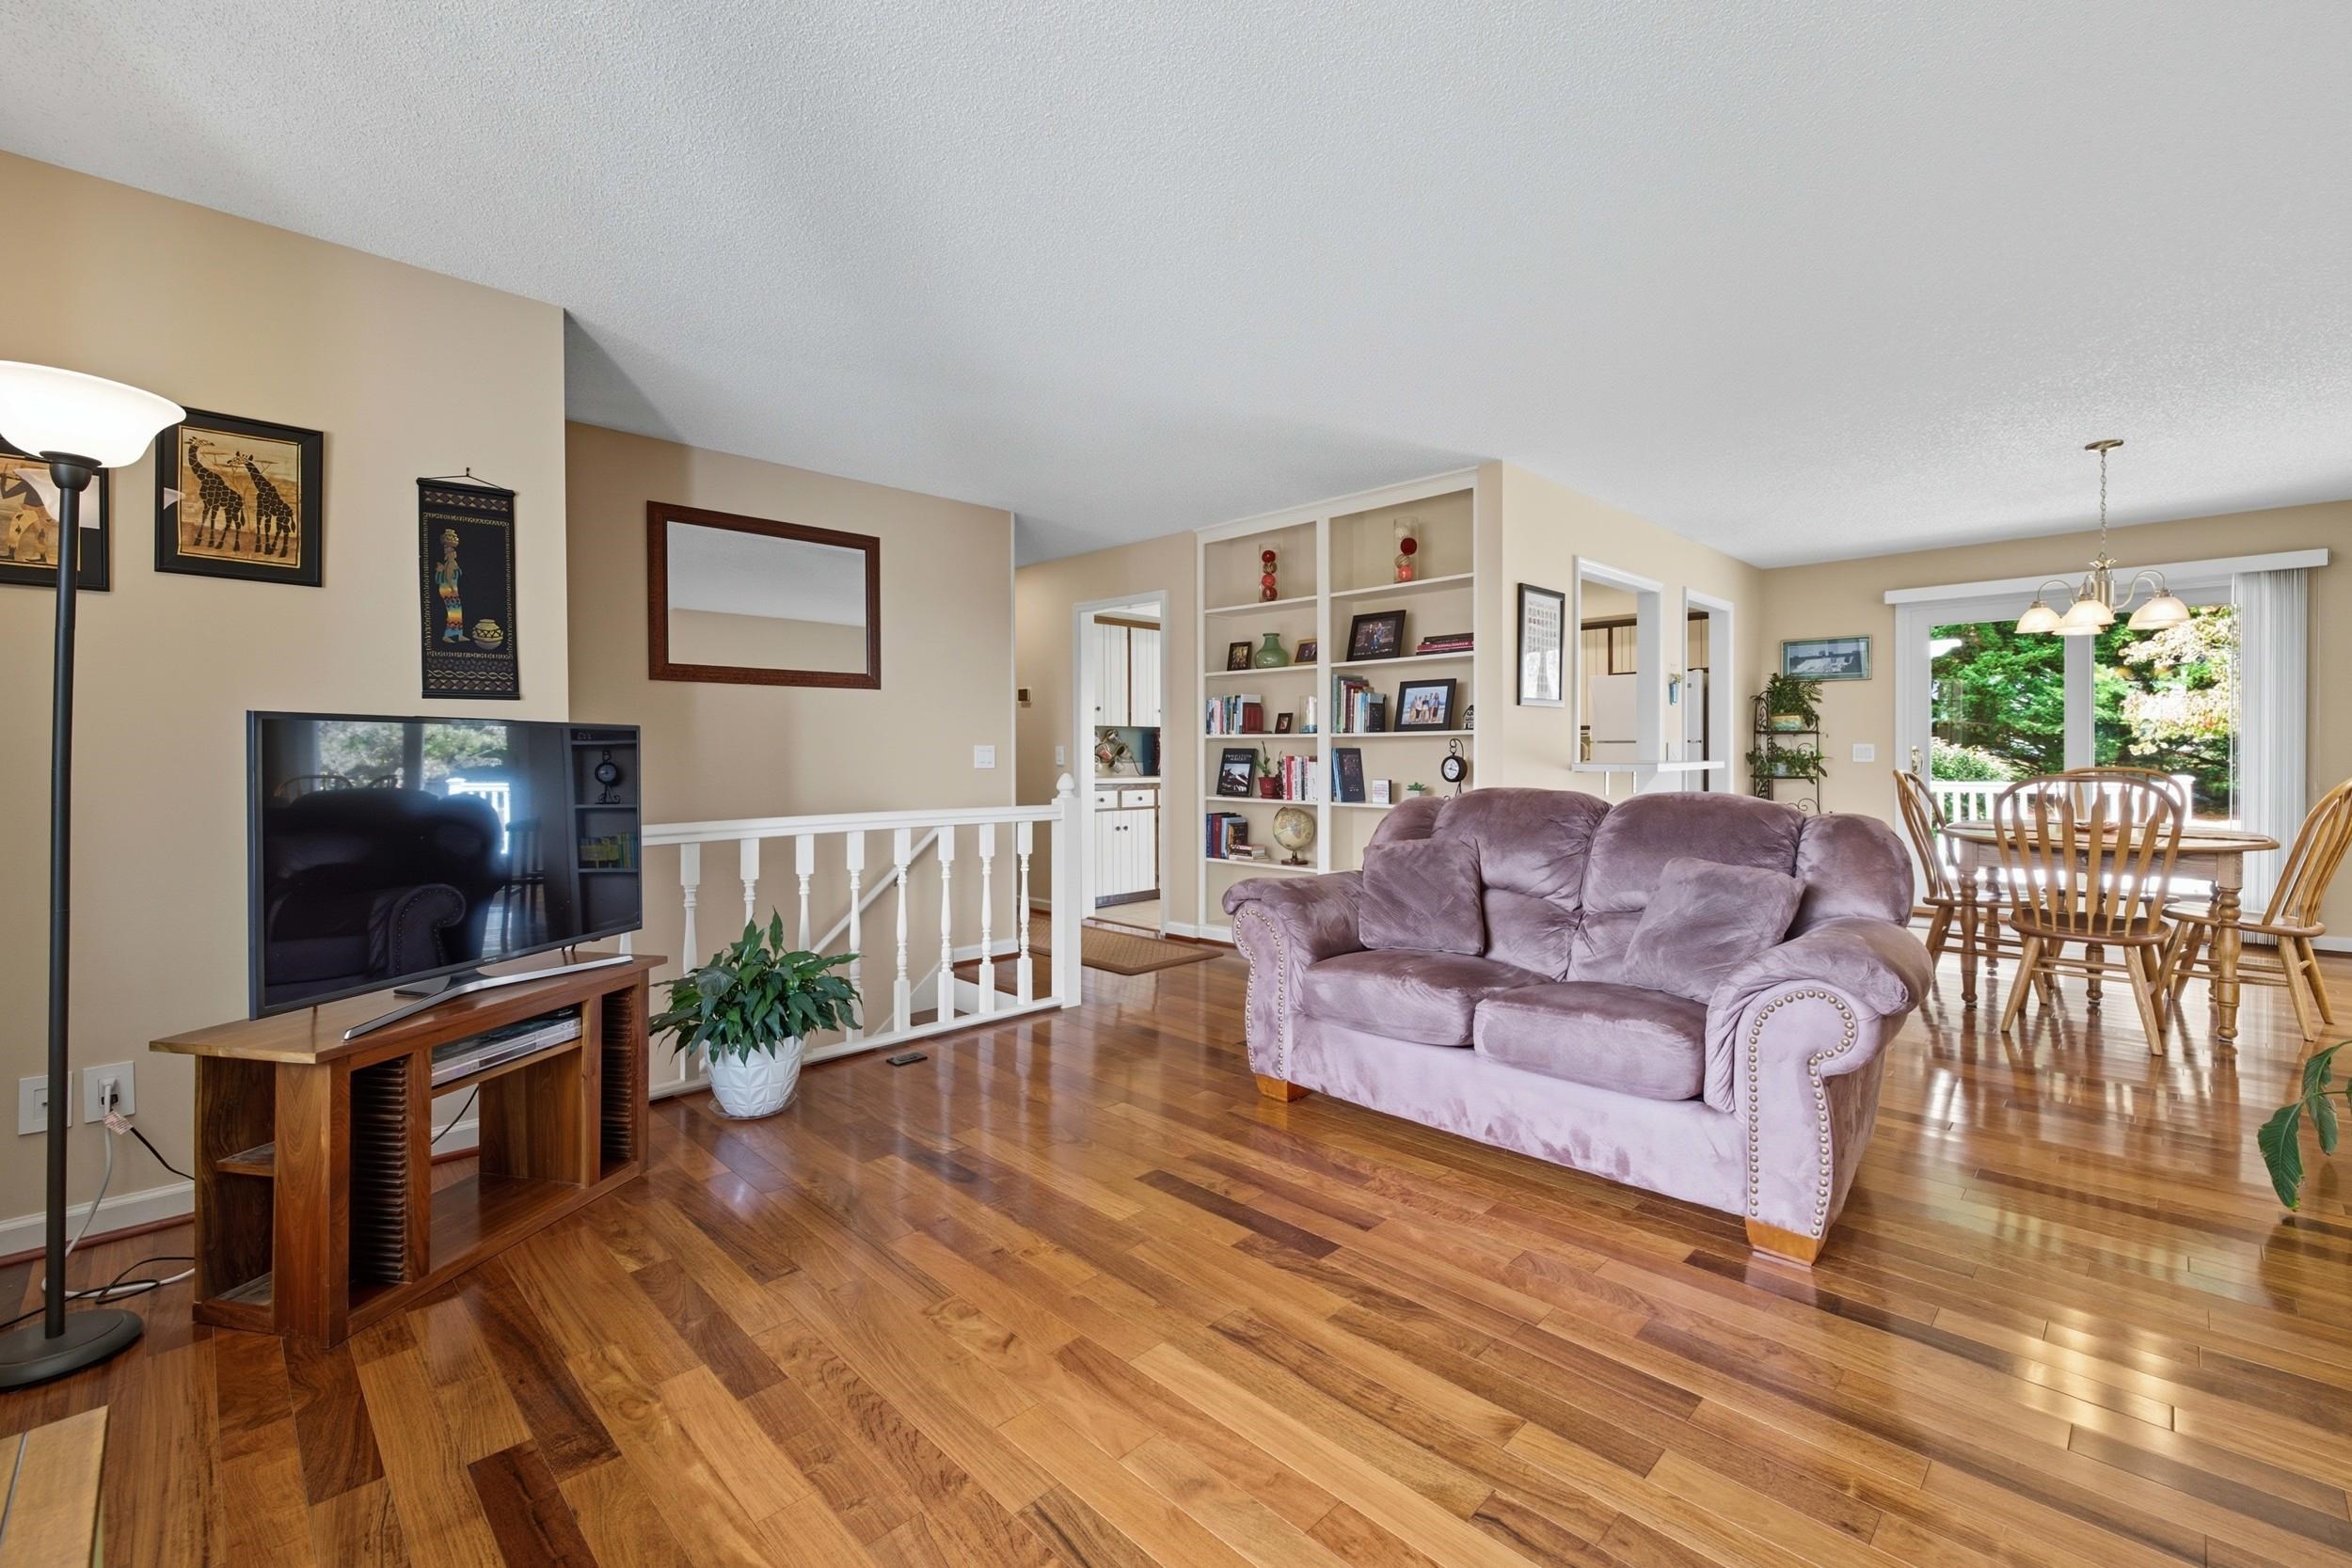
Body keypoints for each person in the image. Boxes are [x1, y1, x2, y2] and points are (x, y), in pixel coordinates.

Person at [435, 527, 469, 643]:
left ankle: (459, 634)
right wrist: (453, 589)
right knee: (453, 612)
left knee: (457, 612)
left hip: (451, 588)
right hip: (448, 589)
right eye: (452, 551)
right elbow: (449, 577)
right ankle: (447, 636)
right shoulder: (450, 563)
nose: (455, 553)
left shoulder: (452, 563)